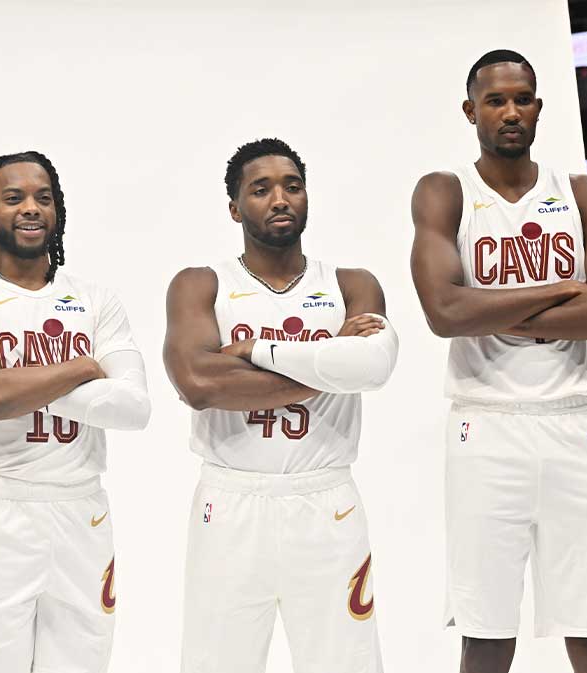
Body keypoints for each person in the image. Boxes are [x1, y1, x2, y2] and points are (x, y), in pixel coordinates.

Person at [409, 50, 587, 673]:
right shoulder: (445, 191)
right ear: (471, 110)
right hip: (487, 423)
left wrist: (485, 305)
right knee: (486, 628)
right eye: (495, 100)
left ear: (540, 106)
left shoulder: (580, 193)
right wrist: (565, 288)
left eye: (523, 99)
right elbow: (442, 314)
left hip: (579, 421)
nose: (510, 111)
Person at [164, 138, 399, 673]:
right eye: (261, 188)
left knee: (347, 663)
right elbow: (198, 381)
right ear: (233, 207)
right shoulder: (201, 284)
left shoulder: (351, 284)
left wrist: (253, 354)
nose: (280, 199)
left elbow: (372, 368)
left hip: (327, 501)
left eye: (292, 186)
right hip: (230, 501)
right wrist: (328, 354)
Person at [0, 151, 151, 673]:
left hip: (82, 510)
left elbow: (134, 407)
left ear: (59, 211)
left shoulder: (96, 299)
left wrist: (15, 381)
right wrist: (80, 367)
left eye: (43, 198)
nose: (31, 208)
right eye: (14, 198)